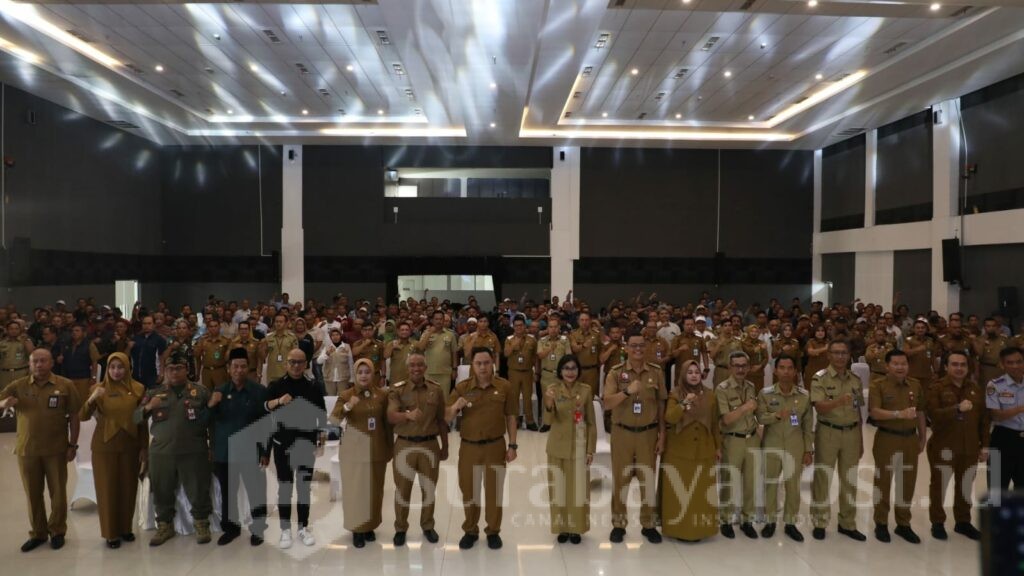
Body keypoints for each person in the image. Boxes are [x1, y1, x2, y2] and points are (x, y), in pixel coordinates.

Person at [0, 349, 81, 552]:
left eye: (43, 361)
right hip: (27, 450)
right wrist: (3, 403)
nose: (39, 365)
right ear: (29, 364)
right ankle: (38, 533)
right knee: (33, 494)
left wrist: (73, 444)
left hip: (56, 449)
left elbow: (74, 416)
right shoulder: (19, 386)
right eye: (35, 361)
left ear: (52, 363)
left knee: (58, 492)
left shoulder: (65, 385)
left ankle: (57, 531)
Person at [133, 349, 213, 546]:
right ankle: (164, 525)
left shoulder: (200, 392)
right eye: (170, 368)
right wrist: (149, 407)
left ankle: (201, 523)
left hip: (193, 450)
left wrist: (212, 446)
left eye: (179, 368)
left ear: (187, 369)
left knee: (198, 488)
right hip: (162, 452)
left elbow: (212, 420)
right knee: (162, 488)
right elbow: (134, 418)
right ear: (165, 370)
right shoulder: (153, 393)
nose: (175, 372)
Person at [446, 347, 519, 550]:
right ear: (472, 365)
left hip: (495, 445)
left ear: (492, 363)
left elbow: (511, 416)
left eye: (487, 363)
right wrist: (455, 407)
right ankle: (470, 529)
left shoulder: (504, 386)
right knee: (469, 490)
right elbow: (446, 417)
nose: (483, 367)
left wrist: (513, 445)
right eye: (478, 363)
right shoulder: (462, 388)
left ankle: (493, 531)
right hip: (469, 447)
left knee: (494, 491)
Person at [602, 329, 666, 544]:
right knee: (621, 481)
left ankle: (648, 524)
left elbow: (661, 404)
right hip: (622, 433)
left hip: (648, 433)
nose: (638, 349)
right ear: (626, 348)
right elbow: (607, 403)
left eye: (641, 345)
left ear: (646, 348)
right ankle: (618, 524)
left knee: (648, 481)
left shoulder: (656, 372)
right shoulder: (615, 372)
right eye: (633, 345)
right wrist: (627, 391)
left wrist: (662, 434)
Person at [79, 352, 147, 548]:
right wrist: (91, 399)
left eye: (121, 367)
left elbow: (141, 421)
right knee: (107, 489)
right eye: (112, 367)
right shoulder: (98, 389)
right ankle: (110, 533)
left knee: (128, 487)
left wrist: (144, 447)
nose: (116, 371)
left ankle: (126, 528)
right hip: (104, 446)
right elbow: (82, 416)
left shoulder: (138, 389)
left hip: (130, 445)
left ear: (128, 368)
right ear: (107, 369)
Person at [264, 348, 327, 549]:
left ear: (306, 364)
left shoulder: (313, 387)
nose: (296, 366)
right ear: (286, 364)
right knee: (285, 487)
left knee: (303, 488)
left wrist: (320, 436)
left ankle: (303, 527)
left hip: (305, 445)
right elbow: (264, 410)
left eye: (300, 362)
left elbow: (322, 415)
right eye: (292, 362)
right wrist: (278, 401)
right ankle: (284, 530)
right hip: (282, 444)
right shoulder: (276, 385)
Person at [207, 348, 269, 546]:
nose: (239, 370)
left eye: (243, 366)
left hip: (250, 451)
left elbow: (267, 424)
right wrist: (211, 405)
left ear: (248, 368)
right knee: (228, 492)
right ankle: (231, 528)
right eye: (235, 366)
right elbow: (204, 421)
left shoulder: (258, 391)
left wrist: (265, 451)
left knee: (256, 490)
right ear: (228, 368)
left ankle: (258, 528)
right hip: (225, 451)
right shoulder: (219, 392)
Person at [387, 351, 448, 547]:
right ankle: (400, 528)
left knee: (428, 489)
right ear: (407, 368)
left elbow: (441, 421)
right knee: (402, 490)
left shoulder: (436, 389)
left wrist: (445, 446)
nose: (416, 369)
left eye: (420, 365)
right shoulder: (397, 390)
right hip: (404, 444)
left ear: (426, 368)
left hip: (429, 444)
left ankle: (428, 526)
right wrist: (407, 415)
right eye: (412, 365)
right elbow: (390, 416)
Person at [926, 351, 988, 541]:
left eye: (963, 365)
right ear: (946, 366)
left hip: (969, 446)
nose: (959, 368)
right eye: (954, 364)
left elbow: (984, 420)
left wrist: (984, 445)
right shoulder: (936, 387)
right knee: (939, 485)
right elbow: (933, 415)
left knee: (965, 484)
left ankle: (963, 522)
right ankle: (937, 522)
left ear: (968, 368)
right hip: (943, 445)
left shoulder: (976, 389)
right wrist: (956, 409)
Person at [809, 339, 866, 541]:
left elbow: (858, 409)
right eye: (836, 352)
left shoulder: (855, 379)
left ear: (849, 355)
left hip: (851, 432)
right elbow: (819, 407)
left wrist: (861, 439)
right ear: (829, 355)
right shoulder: (820, 378)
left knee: (849, 479)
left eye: (844, 353)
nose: (840, 356)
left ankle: (847, 523)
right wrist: (838, 402)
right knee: (823, 478)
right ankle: (820, 521)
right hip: (828, 431)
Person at [332, 358, 393, 548]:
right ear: (355, 374)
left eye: (367, 372)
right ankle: (357, 529)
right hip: (354, 452)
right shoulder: (346, 394)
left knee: (375, 490)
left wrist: (389, 447)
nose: (364, 375)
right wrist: (347, 406)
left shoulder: (382, 395)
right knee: (356, 491)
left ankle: (370, 526)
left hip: (376, 449)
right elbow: (334, 420)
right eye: (360, 372)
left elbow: (387, 424)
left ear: (373, 373)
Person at [868, 349, 927, 543]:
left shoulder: (915, 385)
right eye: (896, 364)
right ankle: (881, 523)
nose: (901, 367)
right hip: (887, 438)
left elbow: (920, 412)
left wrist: (922, 437)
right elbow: (874, 412)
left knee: (907, 482)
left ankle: (903, 523)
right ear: (887, 366)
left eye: (904, 364)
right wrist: (898, 414)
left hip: (910, 439)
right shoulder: (878, 385)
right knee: (883, 482)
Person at [661, 359, 719, 541]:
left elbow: (715, 424)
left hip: (704, 449)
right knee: (679, 491)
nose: (694, 375)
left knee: (700, 493)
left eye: (696, 372)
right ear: (683, 375)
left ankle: (700, 530)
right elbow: (670, 418)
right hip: (679, 451)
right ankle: (678, 529)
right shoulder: (675, 394)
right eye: (690, 372)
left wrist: (718, 447)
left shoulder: (710, 395)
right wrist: (684, 403)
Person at [756, 355, 813, 541]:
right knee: (770, 484)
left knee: (793, 486)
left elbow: (808, 426)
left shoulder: (804, 396)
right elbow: (760, 418)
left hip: (794, 446)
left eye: (790, 368)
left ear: (795, 371)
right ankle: (770, 521)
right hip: (771, 444)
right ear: (775, 371)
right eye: (782, 367)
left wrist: (808, 450)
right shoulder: (765, 393)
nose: (786, 372)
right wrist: (777, 416)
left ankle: (790, 523)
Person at [543, 354, 596, 544]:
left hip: (579, 447)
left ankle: (576, 528)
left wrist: (590, 449)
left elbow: (591, 423)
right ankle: (562, 527)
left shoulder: (586, 391)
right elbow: (547, 421)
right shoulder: (552, 390)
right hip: (557, 446)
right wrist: (548, 404)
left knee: (579, 490)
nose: (570, 372)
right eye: (566, 368)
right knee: (559, 489)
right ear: (560, 371)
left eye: (573, 368)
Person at [715, 351, 760, 539]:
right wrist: (745, 408)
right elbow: (726, 419)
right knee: (729, 481)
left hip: (752, 439)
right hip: (732, 439)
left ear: (748, 367)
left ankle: (746, 520)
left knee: (750, 482)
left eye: (744, 366)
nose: (741, 369)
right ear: (730, 367)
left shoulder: (751, 386)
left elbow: (755, 414)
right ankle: (725, 519)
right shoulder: (722, 389)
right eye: (737, 366)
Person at [986, 346, 1024, 493]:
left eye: (1019, 361)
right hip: (1003, 438)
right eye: (1010, 362)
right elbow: (995, 415)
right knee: (997, 489)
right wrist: (1020, 409)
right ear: (1002, 364)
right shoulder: (995, 385)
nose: (1015, 366)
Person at [537, 315, 571, 431]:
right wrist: (550, 348)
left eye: (555, 327)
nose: (553, 329)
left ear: (559, 328)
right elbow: (540, 355)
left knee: (561, 400)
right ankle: (547, 423)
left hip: (561, 375)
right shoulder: (542, 341)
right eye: (551, 327)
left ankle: (560, 423)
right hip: (547, 375)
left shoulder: (564, 340)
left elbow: (568, 357)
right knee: (547, 400)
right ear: (547, 328)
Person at [504, 316, 538, 429]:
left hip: (527, 372)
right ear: (513, 327)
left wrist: (536, 372)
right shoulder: (509, 339)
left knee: (527, 397)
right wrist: (514, 345)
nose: (518, 327)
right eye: (516, 325)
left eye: (521, 325)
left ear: (524, 326)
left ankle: (530, 420)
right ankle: (516, 420)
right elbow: (506, 354)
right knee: (513, 397)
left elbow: (535, 357)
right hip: (514, 372)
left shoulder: (532, 339)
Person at [417, 311, 458, 401]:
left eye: (441, 319)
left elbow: (454, 353)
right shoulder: (426, 333)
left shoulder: (450, 334)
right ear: (432, 320)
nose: (439, 321)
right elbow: (420, 347)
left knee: (444, 399)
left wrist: (455, 369)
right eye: (436, 319)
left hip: (445, 372)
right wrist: (429, 333)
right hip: (429, 372)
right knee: (429, 399)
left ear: (443, 320)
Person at [259, 313, 298, 383]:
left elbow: (296, 356)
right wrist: (262, 348)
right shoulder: (268, 338)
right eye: (276, 322)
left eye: (281, 322)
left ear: (286, 323)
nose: (278, 324)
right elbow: (263, 357)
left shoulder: (292, 337)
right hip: (272, 373)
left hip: (287, 373)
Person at [130, 315, 167, 389]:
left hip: (152, 375)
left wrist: (161, 373)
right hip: (136, 374)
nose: (146, 326)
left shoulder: (159, 339)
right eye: (144, 323)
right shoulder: (136, 338)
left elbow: (162, 357)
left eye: (149, 323)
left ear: (154, 325)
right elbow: (129, 356)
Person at [569, 312, 602, 389]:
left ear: (590, 321)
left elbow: (600, 350)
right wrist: (584, 345)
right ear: (578, 322)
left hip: (592, 371)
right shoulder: (573, 334)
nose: (584, 322)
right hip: (578, 371)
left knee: (591, 396)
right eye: (582, 320)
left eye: (586, 320)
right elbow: (574, 349)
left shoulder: (596, 334)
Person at [195, 318, 230, 390]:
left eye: (215, 326)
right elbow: (197, 356)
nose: (213, 328)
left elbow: (229, 360)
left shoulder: (226, 341)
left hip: (220, 370)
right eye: (211, 326)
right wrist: (197, 372)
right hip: (206, 371)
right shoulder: (202, 341)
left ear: (219, 327)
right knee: (206, 394)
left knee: (222, 394)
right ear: (208, 328)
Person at [317, 328, 354, 395]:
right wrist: (327, 354)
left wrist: (352, 379)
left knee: (342, 398)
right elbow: (319, 361)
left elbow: (350, 363)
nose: (335, 337)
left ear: (340, 336)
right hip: (329, 378)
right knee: (331, 398)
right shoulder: (327, 347)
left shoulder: (346, 347)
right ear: (330, 337)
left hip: (343, 378)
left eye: (337, 334)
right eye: (333, 335)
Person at [975, 317, 1008, 388]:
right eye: (988, 326)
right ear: (984, 327)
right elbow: (978, 356)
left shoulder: (1004, 339)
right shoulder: (979, 340)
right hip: (986, 371)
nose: (991, 328)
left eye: (993, 326)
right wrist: (983, 342)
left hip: (1002, 370)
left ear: (997, 327)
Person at [384, 321, 415, 385]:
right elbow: (385, 356)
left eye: (407, 330)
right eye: (402, 330)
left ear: (410, 332)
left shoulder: (414, 344)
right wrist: (393, 347)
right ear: (398, 332)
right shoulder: (391, 343)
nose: (404, 332)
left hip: (410, 379)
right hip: (396, 379)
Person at [740, 325, 769, 389]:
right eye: (752, 331)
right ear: (748, 332)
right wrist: (760, 347)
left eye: (756, 332)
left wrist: (760, 366)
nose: (754, 333)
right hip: (747, 372)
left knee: (759, 393)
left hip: (759, 372)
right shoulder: (744, 343)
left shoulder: (761, 342)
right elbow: (748, 352)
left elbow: (766, 358)